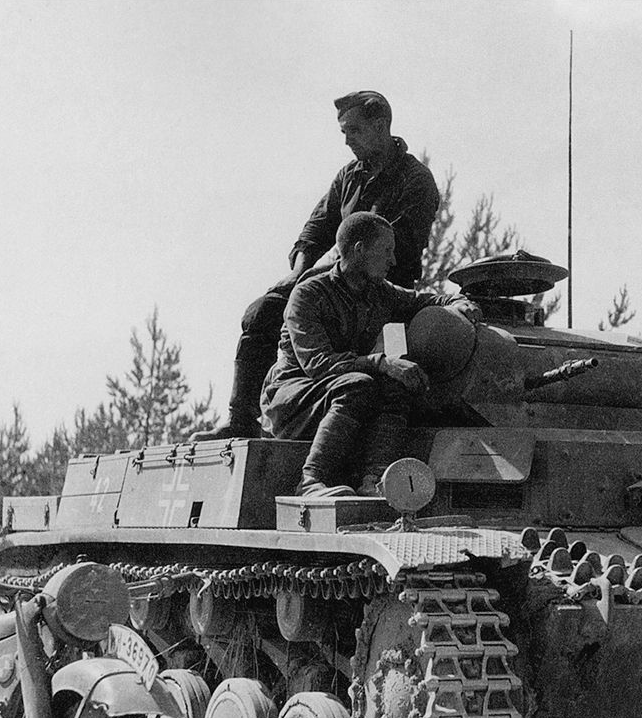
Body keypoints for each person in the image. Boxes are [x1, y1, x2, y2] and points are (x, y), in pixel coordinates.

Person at [196, 90, 441, 441]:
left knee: (392, 380)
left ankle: (377, 452)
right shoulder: (349, 177)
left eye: (353, 130)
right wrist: (300, 273)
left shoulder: (416, 180)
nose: (347, 140)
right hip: (335, 284)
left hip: (386, 297)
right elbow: (314, 231)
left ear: (381, 125)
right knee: (263, 312)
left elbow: (396, 247)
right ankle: (241, 419)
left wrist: (320, 272)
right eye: (343, 132)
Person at [261, 211, 477, 496]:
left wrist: (458, 302)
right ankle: (310, 480)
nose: (393, 260)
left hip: (341, 393)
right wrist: (383, 363)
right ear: (359, 249)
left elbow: (424, 299)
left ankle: (374, 481)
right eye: (386, 250)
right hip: (293, 399)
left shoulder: (378, 292)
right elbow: (318, 364)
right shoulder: (308, 295)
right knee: (359, 385)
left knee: (398, 385)